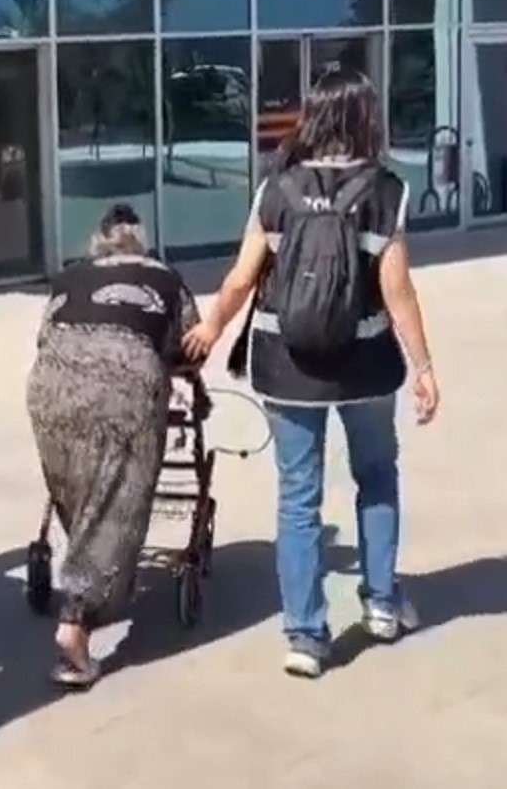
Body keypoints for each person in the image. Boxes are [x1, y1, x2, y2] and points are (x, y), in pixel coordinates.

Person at [184, 68, 440, 680]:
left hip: (286, 362)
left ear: (314, 115)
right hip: (366, 363)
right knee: (376, 476)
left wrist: (211, 328)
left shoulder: (277, 188)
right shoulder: (386, 189)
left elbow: (242, 278)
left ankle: (306, 636)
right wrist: (424, 366)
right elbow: (397, 289)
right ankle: (381, 604)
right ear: (366, 118)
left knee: (298, 497)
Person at [25, 204, 203, 688]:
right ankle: (77, 620)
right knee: (114, 503)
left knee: (78, 491)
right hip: (125, 390)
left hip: (51, 389)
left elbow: (47, 336)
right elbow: (191, 346)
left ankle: (91, 582)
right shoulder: (165, 278)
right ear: (141, 244)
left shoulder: (68, 278)